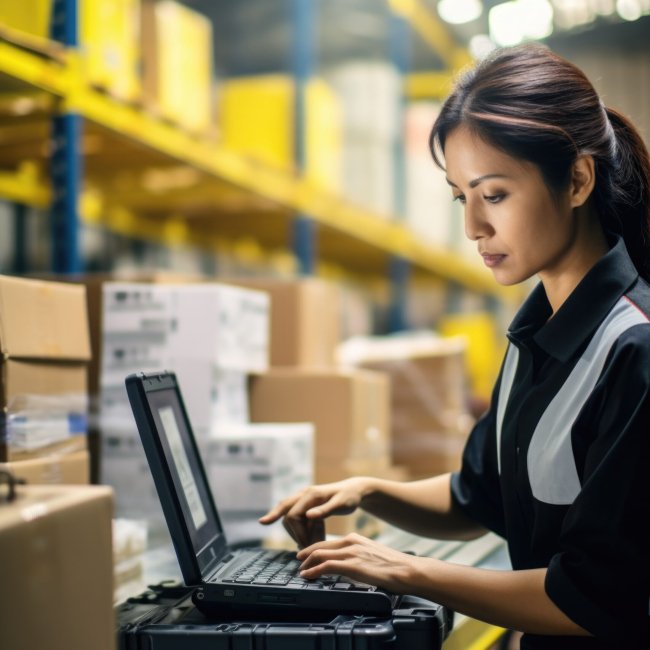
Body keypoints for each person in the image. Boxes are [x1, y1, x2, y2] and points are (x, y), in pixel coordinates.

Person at [259, 43, 650, 649]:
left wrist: (405, 571)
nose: (472, 228)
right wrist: (370, 490)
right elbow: (479, 495)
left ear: (576, 179)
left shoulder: (634, 351)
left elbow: (596, 600)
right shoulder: (535, 338)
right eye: (460, 197)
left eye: (494, 195)